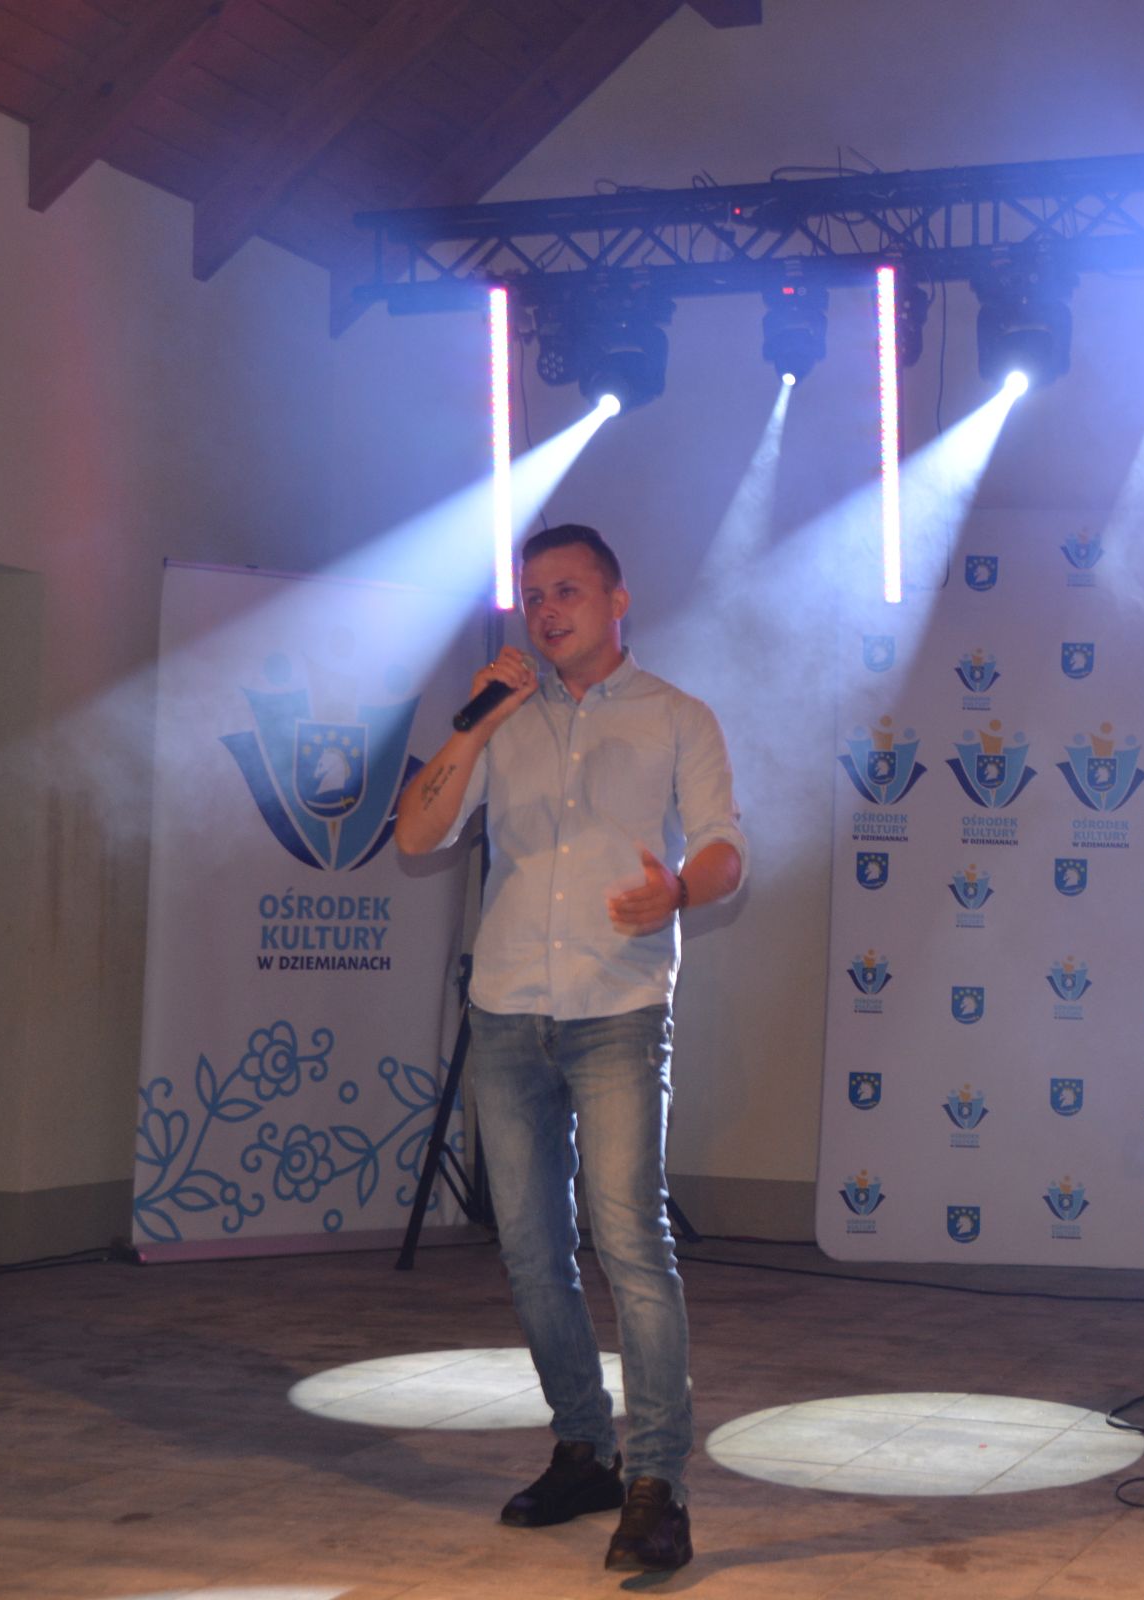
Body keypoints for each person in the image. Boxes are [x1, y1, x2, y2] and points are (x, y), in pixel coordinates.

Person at [395, 523, 746, 1574]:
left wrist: (677, 891)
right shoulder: (501, 720)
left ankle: (658, 1482)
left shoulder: (677, 716)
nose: (547, 611)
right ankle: (583, 1447)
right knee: (529, 1248)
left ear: (617, 600)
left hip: (618, 1008)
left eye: (568, 591)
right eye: (533, 595)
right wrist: (473, 724)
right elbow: (416, 835)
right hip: (506, 1011)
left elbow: (726, 850)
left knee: (629, 1240)